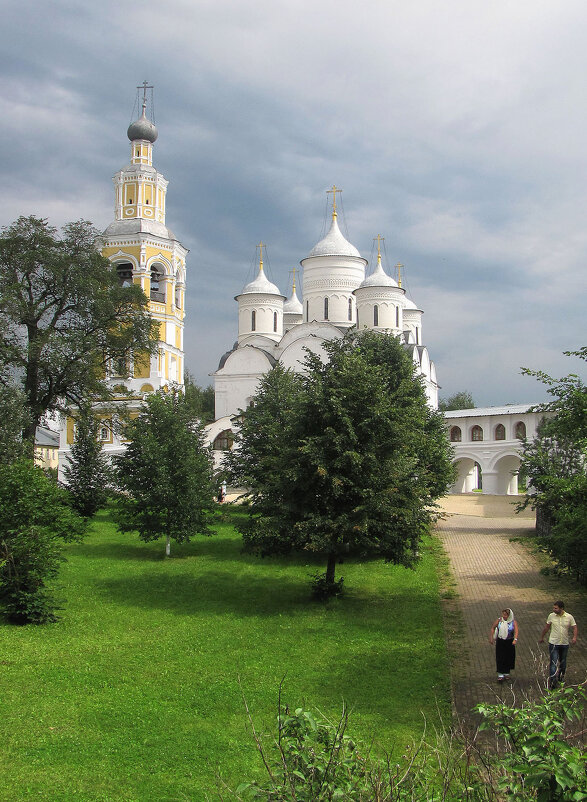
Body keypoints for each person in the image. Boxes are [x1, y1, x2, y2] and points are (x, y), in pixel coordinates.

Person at [539, 600, 578, 688]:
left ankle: (561, 678)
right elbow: (547, 627)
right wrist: (542, 637)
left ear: (561, 608)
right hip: (553, 643)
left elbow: (574, 627)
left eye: (556, 608)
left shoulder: (569, 617)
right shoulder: (551, 616)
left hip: (564, 643)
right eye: (553, 608)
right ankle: (553, 681)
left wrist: (574, 637)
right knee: (553, 662)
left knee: (563, 663)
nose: (554, 609)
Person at [489, 608, 518, 682]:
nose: (504, 616)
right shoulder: (499, 621)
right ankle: (500, 673)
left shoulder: (513, 622)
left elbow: (516, 632)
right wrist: (491, 638)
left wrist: (515, 639)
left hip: (509, 642)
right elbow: (493, 628)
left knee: (508, 657)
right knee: (500, 656)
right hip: (501, 641)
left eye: (505, 615)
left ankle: (506, 672)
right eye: (503, 614)